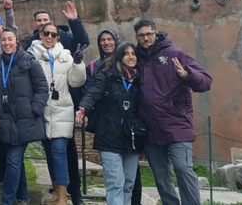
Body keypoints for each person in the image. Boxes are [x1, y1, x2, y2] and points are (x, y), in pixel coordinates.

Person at [134, 19, 212, 205]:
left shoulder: (175, 54)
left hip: (176, 125)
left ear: (156, 33)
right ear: (136, 37)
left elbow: (206, 81)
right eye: (141, 35)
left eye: (149, 34)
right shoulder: (136, 58)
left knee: (182, 168)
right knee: (161, 177)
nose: (146, 38)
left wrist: (186, 75)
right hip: (150, 130)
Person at [0, 28, 49, 205]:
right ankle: (23, 196)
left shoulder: (28, 61)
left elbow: (42, 88)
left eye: (10, 39)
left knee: (13, 159)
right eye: (3, 40)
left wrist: (34, 109)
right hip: (4, 119)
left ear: (17, 41)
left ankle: (7, 201)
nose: (6, 43)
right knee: (16, 160)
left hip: (24, 119)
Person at [77, 43, 146, 205]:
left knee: (128, 184)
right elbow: (93, 92)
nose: (131, 57)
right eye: (126, 54)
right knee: (115, 183)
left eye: (134, 53)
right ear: (120, 57)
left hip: (132, 138)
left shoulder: (141, 80)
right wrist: (84, 107)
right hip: (109, 136)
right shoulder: (107, 76)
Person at [28, 23, 86, 205]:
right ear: (40, 34)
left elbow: (76, 82)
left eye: (54, 34)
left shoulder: (66, 56)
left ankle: (62, 197)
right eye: (46, 33)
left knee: (59, 151)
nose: (50, 37)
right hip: (42, 110)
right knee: (49, 153)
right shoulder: (31, 56)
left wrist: (77, 64)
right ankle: (56, 192)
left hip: (62, 108)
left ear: (58, 37)